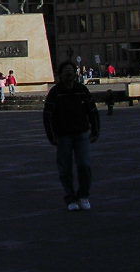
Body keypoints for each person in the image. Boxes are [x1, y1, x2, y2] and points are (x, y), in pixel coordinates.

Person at [43, 60, 100, 211]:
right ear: (60, 74)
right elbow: (47, 115)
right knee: (65, 169)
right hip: (63, 136)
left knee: (84, 165)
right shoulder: (55, 92)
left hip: (82, 133)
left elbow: (93, 111)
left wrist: (95, 131)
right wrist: (51, 135)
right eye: (66, 70)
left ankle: (83, 195)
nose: (69, 72)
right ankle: (70, 198)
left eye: (71, 70)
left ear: (75, 73)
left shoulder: (82, 89)